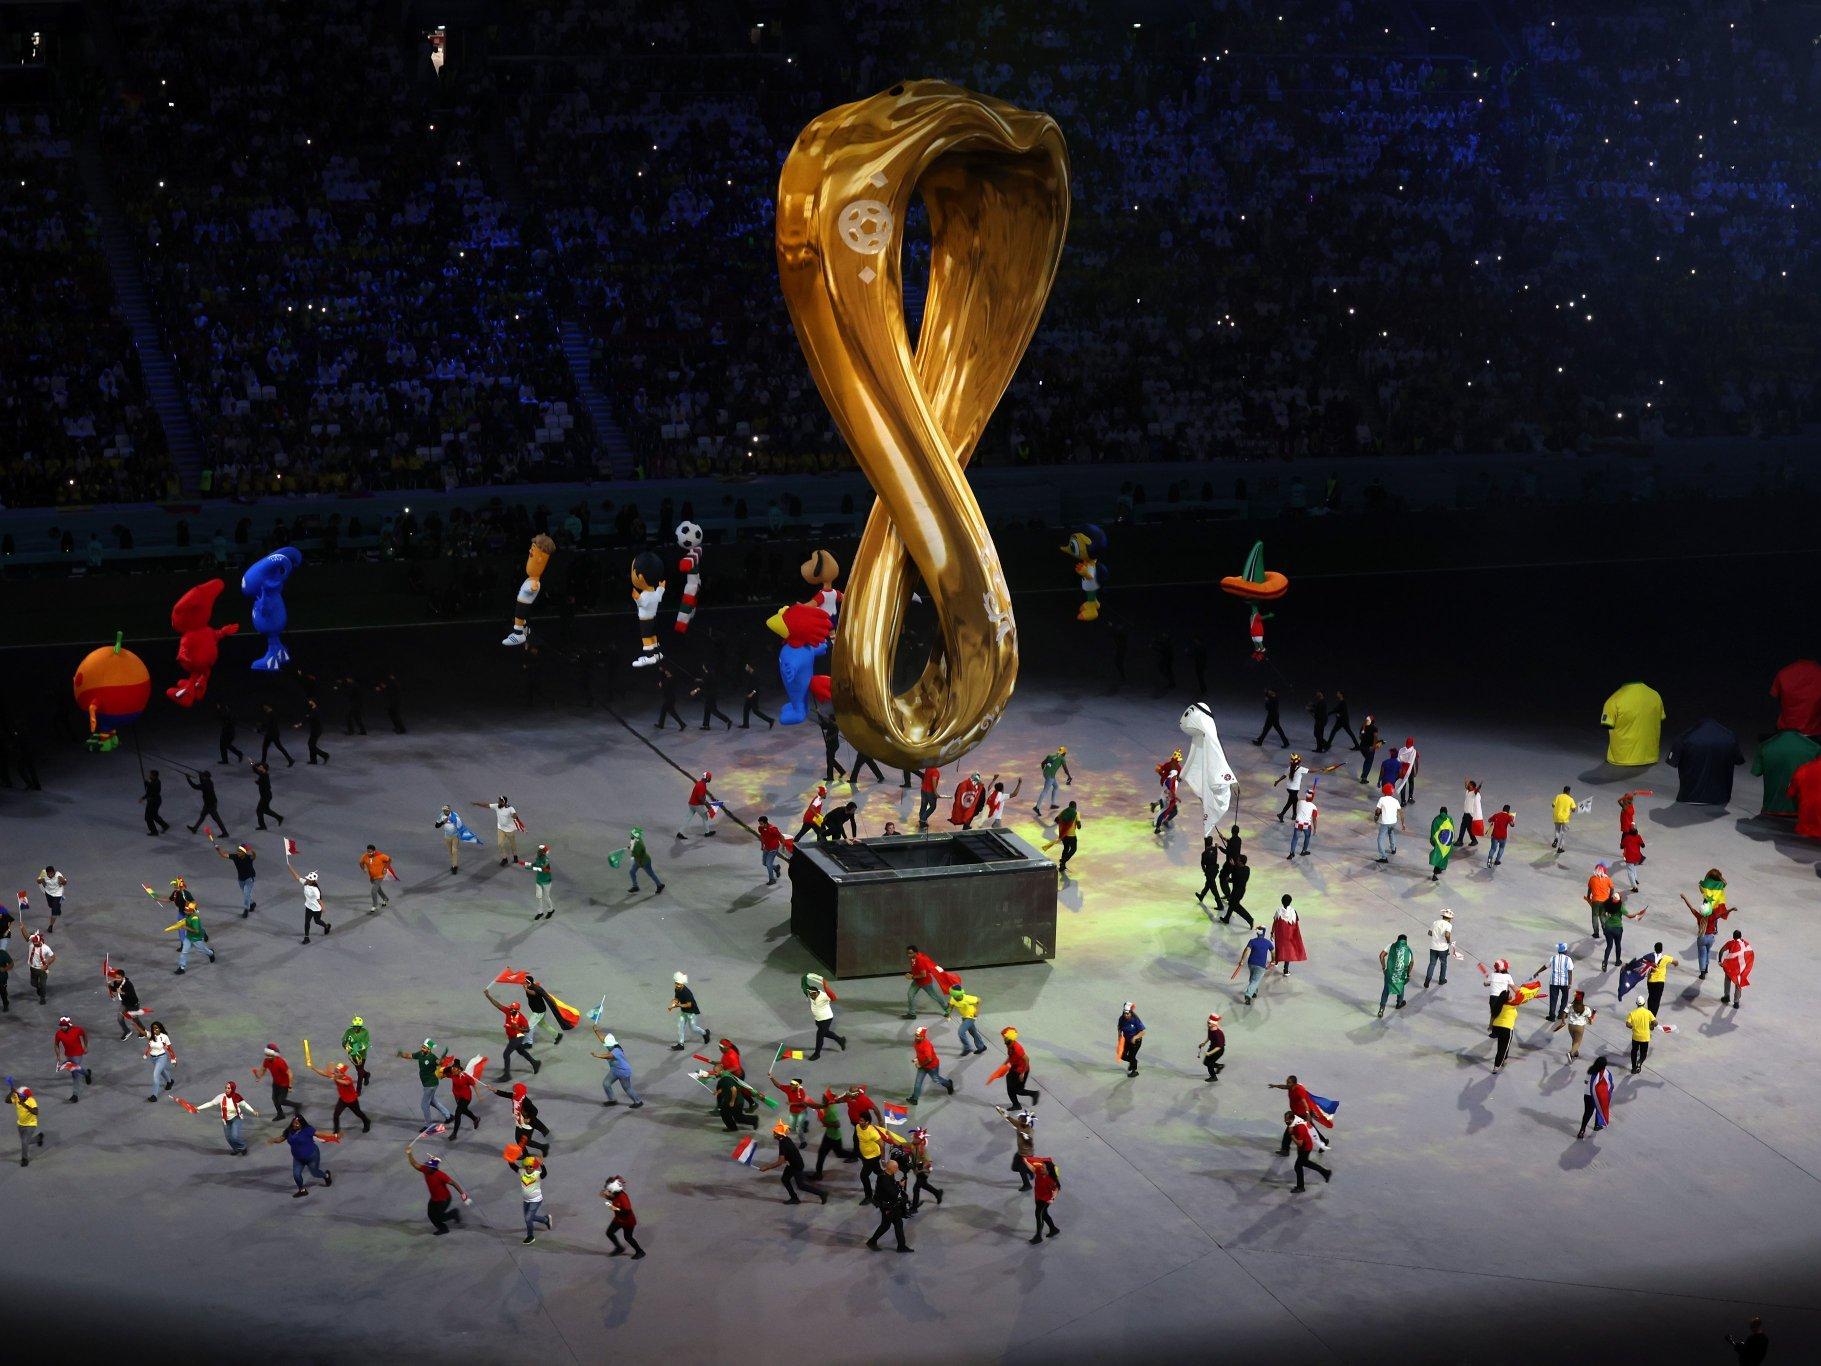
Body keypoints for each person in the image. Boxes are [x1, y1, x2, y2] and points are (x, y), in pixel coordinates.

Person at [407, 1140, 469, 1234]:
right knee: (431, 1215)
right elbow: (414, 1164)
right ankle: (449, 1219)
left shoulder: (440, 1175)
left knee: (438, 1217)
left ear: (434, 1168)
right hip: (434, 1199)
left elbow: (454, 1183)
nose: (427, 1167)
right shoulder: (425, 1169)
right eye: (427, 1165)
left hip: (444, 1200)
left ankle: (448, 1221)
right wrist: (409, 1153)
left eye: (429, 1166)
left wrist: (462, 1194)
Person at [758, 1120, 827, 1205]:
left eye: (775, 1133)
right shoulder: (785, 1139)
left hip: (796, 1166)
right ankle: (794, 1198)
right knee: (785, 1179)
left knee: (801, 1185)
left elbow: (780, 1161)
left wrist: (767, 1167)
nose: (774, 1134)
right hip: (792, 1164)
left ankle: (822, 1193)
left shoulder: (783, 1144)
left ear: (780, 1134)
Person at [269, 1114, 334, 1198]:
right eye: (294, 1123)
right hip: (298, 1159)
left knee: (315, 1173)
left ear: (302, 1123)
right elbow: (281, 1138)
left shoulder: (308, 1129)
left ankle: (326, 1176)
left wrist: (334, 1135)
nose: (295, 1125)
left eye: (297, 1123)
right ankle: (302, 1190)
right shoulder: (289, 1131)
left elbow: (320, 1134)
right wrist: (273, 1140)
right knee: (296, 1175)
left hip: (312, 1156)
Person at [1684, 877, 1734, 980]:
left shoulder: (1699, 916)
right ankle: (1706, 968)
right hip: (1711, 937)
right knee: (1707, 952)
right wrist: (1731, 909)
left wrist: (1684, 898)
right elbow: (1722, 914)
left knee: (1702, 954)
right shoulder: (1712, 916)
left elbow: (1691, 908)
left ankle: (1703, 972)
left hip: (1701, 937)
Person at [484, 987, 540, 1079]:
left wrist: (517, 1027)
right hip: (511, 1036)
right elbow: (498, 1005)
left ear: (517, 1010)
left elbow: (527, 1030)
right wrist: (488, 996)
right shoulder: (509, 1011)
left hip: (517, 1037)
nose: (510, 1009)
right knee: (521, 1050)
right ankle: (535, 1063)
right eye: (511, 1008)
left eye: (513, 1009)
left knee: (506, 1054)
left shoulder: (522, 1019)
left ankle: (507, 1075)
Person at [398, 1038, 455, 1126]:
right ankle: (448, 1116)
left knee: (424, 1105)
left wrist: (443, 1057)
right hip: (427, 1084)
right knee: (432, 1101)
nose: (422, 1049)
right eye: (422, 1047)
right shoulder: (420, 1054)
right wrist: (401, 1054)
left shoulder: (432, 1057)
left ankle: (429, 1126)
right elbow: (410, 1056)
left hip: (431, 1084)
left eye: (424, 1048)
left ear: (429, 1049)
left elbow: (439, 1062)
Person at [492, 1080, 553, 1160]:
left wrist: (529, 1119)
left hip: (527, 1124)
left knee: (526, 1141)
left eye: (515, 1091)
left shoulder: (525, 1101)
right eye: (513, 1091)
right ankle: (525, 1154)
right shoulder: (515, 1096)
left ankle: (543, 1147)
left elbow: (535, 1111)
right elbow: (505, 1094)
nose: (513, 1092)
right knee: (518, 1139)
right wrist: (494, 1090)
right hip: (519, 1122)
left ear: (519, 1092)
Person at [195, 1080, 258, 1154]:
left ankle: (243, 1147)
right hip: (225, 1120)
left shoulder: (237, 1097)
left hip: (236, 1118)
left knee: (234, 1137)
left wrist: (253, 1111)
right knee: (229, 1139)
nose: (226, 1090)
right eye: (226, 1088)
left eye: (229, 1088)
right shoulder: (221, 1097)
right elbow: (211, 1103)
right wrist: (198, 1108)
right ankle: (236, 1149)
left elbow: (245, 1104)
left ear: (233, 1089)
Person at [310, 1057, 369, 1134]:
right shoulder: (336, 1076)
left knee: (358, 1113)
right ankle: (336, 1131)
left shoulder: (348, 1079)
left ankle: (367, 1122)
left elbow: (345, 1083)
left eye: (337, 1072)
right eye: (335, 1071)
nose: (334, 1073)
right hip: (343, 1100)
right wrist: (313, 1068)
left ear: (342, 1074)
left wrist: (334, 1078)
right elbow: (323, 1073)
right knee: (336, 1115)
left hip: (352, 1101)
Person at [866, 1158, 913, 1252]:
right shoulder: (884, 1179)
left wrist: (897, 1183)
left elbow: (891, 1186)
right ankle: (900, 1246)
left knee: (892, 1224)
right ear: (891, 1168)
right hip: (889, 1206)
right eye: (896, 1168)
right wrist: (900, 1186)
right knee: (889, 1225)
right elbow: (893, 1193)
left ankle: (901, 1246)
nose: (898, 1169)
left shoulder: (886, 1175)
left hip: (888, 1206)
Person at [809, 1089, 856, 1178]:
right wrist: (808, 1104)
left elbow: (837, 1124)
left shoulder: (831, 1111)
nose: (822, 1098)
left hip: (833, 1137)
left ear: (827, 1100)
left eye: (824, 1097)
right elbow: (821, 1106)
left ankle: (818, 1175)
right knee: (836, 1153)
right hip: (831, 1135)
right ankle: (855, 1155)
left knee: (827, 1153)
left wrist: (826, 1123)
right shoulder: (830, 1104)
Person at [253, 1043, 306, 1122]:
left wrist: (290, 1086)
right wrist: (259, 1076)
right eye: (266, 1054)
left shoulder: (280, 1062)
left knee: (281, 1100)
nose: (267, 1056)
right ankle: (280, 1114)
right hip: (276, 1083)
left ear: (272, 1054)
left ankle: (297, 1105)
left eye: (268, 1054)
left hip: (284, 1084)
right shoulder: (266, 1061)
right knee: (274, 1099)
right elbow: (263, 1070)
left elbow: (290, 1073)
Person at [1283, 1110, 1332, 1192]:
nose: (1285, 1121)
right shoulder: (1295, 1122)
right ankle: (1325, 1172)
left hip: (1305, 1148)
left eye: (1287, 1119)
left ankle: (1300, 1187)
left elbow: (1299, 1143)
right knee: (1305, 1163)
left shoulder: (1299, 1128)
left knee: (1298, 1166)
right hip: (1305, 1147)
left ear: (1292, 1119)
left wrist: (1291, 1135)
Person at [509, 1152, 552, 1244]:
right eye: (527, 1166)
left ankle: (530, 1236)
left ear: (534, 1167)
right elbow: (513, 1166)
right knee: (528, 1217)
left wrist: (542, 1165)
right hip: (526, 1200)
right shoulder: (522, 1172)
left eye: (531, 1166)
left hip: (536, 1200)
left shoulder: (537, 1174)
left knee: (528, 1218)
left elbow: (544, 1174)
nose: (528, 1168)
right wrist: (510, 1158)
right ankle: (546, 1220)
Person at [592, 1030, 642, 1108]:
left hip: (623, 1072)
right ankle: (612, 1100)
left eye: (607, 1045)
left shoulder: (616, 1051)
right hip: (614, 1070)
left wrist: (597, 1055)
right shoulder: (612, 1046)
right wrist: (596, 1030)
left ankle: (638, 1101)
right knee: (606, 1083)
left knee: (627, 1088)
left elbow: (608, 1056)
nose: (606, 1046)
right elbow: (602, 1039)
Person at [907, 1026, 955, 1103]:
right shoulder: (916, 1041)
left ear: (923, 1036)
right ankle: (914, 1098)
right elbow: (919, 1053)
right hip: (923, 1065)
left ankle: (949, 1084)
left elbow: (929, 1059)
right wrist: (917, 1059)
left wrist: (921, 1065)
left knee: (936, 1079)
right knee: (918, 1082)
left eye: (918, 1036)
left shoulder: (926, 1045)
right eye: (915, 1035)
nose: (916, 1037)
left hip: (932, 1066)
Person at [601, 1176, 645, 1256]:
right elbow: (612, 1198)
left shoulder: (622, 1197)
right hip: (618, 1220)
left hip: (628, 1221)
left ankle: (640, 1252)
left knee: (628, 1237)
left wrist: (613, 1208)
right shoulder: (615, 1193)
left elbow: (627, 1211)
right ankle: (619, 1248)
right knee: (609, 1233)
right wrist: (607, 1196)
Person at [213, 839, 258, 916]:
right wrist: (218, 850)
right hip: (241, 878)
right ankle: (252, 903)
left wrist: (252, 851)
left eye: (240, 851)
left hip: (249, 878)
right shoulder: (235, 856)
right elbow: (223, 855)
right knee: (245, 893)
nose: (237, 852)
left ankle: (246, 909)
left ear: (244, 853)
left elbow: (254, 856)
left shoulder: (248, 857)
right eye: (237, 851)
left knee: (246, 893)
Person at [903, 945, 950, 1019]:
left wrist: (912, 977)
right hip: (917, 981)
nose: (909, 955)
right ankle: (912, 1013)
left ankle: (947, 1008)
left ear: (916, 952)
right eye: (908, 953)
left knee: (935, 996)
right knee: (910, 995)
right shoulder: (913, 958)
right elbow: (915, 968)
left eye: (911, 953)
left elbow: (923, 975)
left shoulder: (920, 960)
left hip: (925, 982)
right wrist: (911, 973)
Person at [287, 866, 331, 945]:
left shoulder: (315, 890)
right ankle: (306, 938)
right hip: (308, 907)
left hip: (316, 909)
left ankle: (326, 926)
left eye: (309, 879)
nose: (307, 879)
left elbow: (319, 900)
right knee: (307, 922)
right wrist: (290, 867)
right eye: (307, 878)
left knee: (317, 921)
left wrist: (323, 907)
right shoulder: (306, 883)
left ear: (312, 881)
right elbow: (297, 877)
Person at [667, 971, 710, 1050]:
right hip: (683, 1012)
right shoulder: (677, 989)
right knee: (680, 1027)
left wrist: (678, 1005)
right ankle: (681, 1044)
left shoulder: (687, 992)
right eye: (676, 983)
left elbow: (689, 1005)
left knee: (693, 1028)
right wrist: (674, 1003)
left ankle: (705, 1033)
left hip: (691, 1012)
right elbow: (677, 998)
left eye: (678, 984)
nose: (676, 985)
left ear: (682, 984)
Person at [53, 1015, 92, 1101]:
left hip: (78, 1054)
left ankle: (75, 1095)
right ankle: (87, 1073)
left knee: (74, 1073)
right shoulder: (58, 1034)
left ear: (68, 1024)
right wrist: (58, 1055)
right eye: (61, 1025)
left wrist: (85, 1046)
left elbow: (84, 1035)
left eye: (64, 1025)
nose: (63, 1027)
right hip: (68, 1055)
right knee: (75, 1070)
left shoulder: (77, 1030)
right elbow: (56, 1045)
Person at [1024, 1155, 1062, 1242]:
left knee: (1039, 1215)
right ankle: (1053, 1229)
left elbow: (1056, 1189)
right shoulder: (1040, 1171)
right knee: (1044, 1214)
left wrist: (1052, 1198)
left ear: (1048, 1171)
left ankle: (1038, 1237)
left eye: (1043, 1167)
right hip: (1038, 1196)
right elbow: (1033, 1169)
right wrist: (1025, 1161)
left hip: (1045, 1199)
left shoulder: (1051, 1180)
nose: (1041, 1168)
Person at [1001, 1026, 1040, 1107]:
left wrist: (1022, 1073)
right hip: (1015, 1067)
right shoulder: (1009, 1044)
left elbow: (1027, 1059)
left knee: (1014, 1089)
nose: (1003, 1038)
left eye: (1005, 1037)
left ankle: (1019, 1103)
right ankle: (1032, 1095)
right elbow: (1011, 1055)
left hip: (1021, 1069)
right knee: (1015, 1088)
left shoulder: (1017, 1048)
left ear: (1010, 1038)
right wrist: (1006, 1062)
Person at [1234, 926, 1273, 1003]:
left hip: (1251, 964)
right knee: (1255, 980)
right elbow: (1273, 952)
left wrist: (1242, 960)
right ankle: (1248, 995)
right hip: (1261, 965)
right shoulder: (1268, 942)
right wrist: (1273, 960)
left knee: (1253, 978)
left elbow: (1246, 950)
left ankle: (1254, 992)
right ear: (1264, 933)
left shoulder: (1252, 941)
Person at [1577, 1056, 1614, 1139]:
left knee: (1587, 1112)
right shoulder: (1606, 1073)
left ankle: (1582, 1130)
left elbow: (1586, 1081)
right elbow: (1610, 1085)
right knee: (1599, 1108)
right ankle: (1597, 1125)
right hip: (1598, 1095)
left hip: (1588, 1094)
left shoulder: (1591, 1070)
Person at [107, 966, 149, 1039]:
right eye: (116, 977)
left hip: (133, 1005)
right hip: (124, 1004)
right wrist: (110, 986)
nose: (116, 979)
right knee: (119, 1018)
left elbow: (131, 995)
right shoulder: (116, 982)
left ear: (123, 977)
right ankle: (127, 1031)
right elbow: (115, 989)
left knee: (135, 1019)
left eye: (119, 978)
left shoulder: (128, 984)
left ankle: (143, 1031)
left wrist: (122, 992)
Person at [476, 796, 521, 865]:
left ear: (504, 802)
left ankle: (515, 856)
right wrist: (477, 804)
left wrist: (514, 816)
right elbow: (486, 805)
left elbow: (514, 815)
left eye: (500, 801)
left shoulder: (510, 808)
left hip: (510, 830)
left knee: (512, 844)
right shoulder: (496, 806)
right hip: (500, 829)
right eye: (498, 800)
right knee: (500, 844)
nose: (498, 802)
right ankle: (504, 858)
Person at [1554, 991, 1596, 1060]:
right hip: (1580, 1027)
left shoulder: (1570, 1006)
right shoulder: (1586, 1009)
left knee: (1574, 1040)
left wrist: (1563, 1022)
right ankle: (1571, 1053)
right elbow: (1590, 1020)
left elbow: (1564, 1013)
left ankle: (1576, 1053)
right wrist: (1592, 1019)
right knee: (1577, 1042)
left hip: (1571, 1026)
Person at [1377, 935, 1413, 1017]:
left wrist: (1384, 968)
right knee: (1400, 987)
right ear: (1406, 941)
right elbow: (1411, 963)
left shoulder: (1391, 945)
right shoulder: (1408, 950)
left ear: (1397, 940)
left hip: (1389, 973)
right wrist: (1408, 974)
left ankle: (1381, 1009)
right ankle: (1399, 1003)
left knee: (1386, 990)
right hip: (1400, 974)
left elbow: (1381, 956)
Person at [1271, 895, 1307, 975]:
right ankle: (1285, 970)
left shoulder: (1278, 911)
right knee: (1288, 951)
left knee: (1278, 947)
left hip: (1280, 935)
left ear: (1281, 901)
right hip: (1289, 936)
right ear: (1290, 901)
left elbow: (1275, 922)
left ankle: (1276, 961)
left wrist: (1272, 932)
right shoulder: (1293, 911)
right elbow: (1296, 924)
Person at [9, 1081, 42, 1166]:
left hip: (31, 1124)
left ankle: (24, 1159)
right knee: (26, 1142)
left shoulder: (31, 1101)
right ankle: (38, 1138)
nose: (18, 1096)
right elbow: (7, 1100)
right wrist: (11, 1093)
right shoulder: (17, 1097)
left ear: (25, 1096)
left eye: (20, 1095)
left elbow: (36, 1112)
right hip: (20, 1124)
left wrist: (25, 1105)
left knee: (24, 1142)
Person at [186, 771, 227, 837]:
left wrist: (188, 779)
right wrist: (200, 776)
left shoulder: (205, 784)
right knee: (203, 816)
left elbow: (195, 786)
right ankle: (195, 828)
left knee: (216, 819)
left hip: (210, 804)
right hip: (210, 803)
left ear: (204, 777)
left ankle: (225, 833)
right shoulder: (209, 782)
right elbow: (202, 782)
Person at [625, 826, 665, 894]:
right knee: (632, 871)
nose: (631, 835)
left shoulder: (639, 844)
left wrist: (632, 850)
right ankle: (635, 886)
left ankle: (659, 885)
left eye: (633, 834)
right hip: (638, 861)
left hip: (644, 861)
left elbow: (638, 853)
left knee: (651, 874)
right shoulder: (635, 840)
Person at [948, 983, 986, 1055]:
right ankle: (981, 1047)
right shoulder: (953, 998)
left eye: (959, 996)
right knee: (973, 1032)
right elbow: (951, 1005)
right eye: (956, 996)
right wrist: (948, 1012)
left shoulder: (967, 998)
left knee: (961, 1032)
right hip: (964, 1017)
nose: (958, 998)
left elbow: (979, 1000)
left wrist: (977, 1011)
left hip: (971, 1016)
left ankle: (967, 1048)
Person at [1219, 850, 1253, 928]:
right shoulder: (1247, 869)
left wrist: (1232, 867)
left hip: (1237, 892)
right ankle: (1227, 918)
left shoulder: (1236, 871)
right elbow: (1237, 876)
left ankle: (1250, 919)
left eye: (1238, 860)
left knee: (1237, 907)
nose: (1236, 861)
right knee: (1231, 904)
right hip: (1241, 891)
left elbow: (1234, 878)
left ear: (1241, 862)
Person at [1720, 930, 1753, 1008]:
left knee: (1727, 980)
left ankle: (1726, 996)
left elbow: (1721, 951)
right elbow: (1750, 953)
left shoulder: (1730, 943)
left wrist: (1719, 961)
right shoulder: (1745, 944)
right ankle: (1736, 1002)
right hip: (1740, 967)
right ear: (1741, 936)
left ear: (1733, 936)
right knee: (1738, 982)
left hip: (1730, 967)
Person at [1373, 783, 1405, 861]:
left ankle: (1384, 857)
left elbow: (1377, 811)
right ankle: (1393, 849)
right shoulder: (1396, 801)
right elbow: (1401, 812)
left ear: (1384, 791)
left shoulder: (1382, 799)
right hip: (1393, 822)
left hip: (1385, 823)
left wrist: (1376, 817)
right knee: (1391, 833)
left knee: (1379, 839)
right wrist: (1403, 824)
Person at [1034, 746, 1072, 813]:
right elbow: (1065, 769)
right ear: (1064, 753)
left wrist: (1045, 771)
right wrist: (1069, 776)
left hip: (1046, 774)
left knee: (1056, 786)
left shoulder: (1050, 756)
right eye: (1065, 753)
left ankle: (1053, 804)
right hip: (1050, 776)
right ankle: (1037, 807)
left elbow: (1042, 763)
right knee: (1045, 791)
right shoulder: (1062, 758)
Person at [1543, 943, 1575, 1021]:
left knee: (1553, 999)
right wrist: (1570, 983)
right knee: (1564, 998)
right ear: (1566, 951)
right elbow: (1570, 971)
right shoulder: (1568, 959)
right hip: (1565, 983)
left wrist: (1537, 972)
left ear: (1558, 951)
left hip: (1554, 982)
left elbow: (1545, 966)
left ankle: (1552, 1016)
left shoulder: (1553, 958)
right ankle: (1561, 1014)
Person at [358, 844, 393, 914]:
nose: (369, 853)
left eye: (370, 852)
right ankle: (385, 899)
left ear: (374, 851)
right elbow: (361, 863)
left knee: (374, 891)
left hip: (380, 876)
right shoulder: (365, 856)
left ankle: (375, 905)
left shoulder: (380, 856)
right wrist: (363, 868)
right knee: (378, 889)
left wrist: (385, 868)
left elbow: (389, 860)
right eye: (368, 851)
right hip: (372, 877)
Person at [738, 662, 775, 729]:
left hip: (753, 696)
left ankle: (770, 720)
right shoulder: (750, 674)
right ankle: (746, 725)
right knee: (746, 709)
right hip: (750, 696)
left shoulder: (755, 675)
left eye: (747, 666)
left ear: (750, 667)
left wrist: (751, 694)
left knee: (756, 711)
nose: (745, 668)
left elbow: (756, 688)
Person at [1274, 753, 1308, 823]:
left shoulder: (1290, 768)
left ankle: (1294, 815)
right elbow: (1311, 771)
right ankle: (1281, 814)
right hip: (1295, 789)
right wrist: (1320, 769)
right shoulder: (1301, 769)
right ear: (1299, 762)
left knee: (1294, 800)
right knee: (1290, 802)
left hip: (1289, 788)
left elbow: (1284, 775)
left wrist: (1277, 781)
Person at [1625, 996, 1656, 1073]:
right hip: (1645, 1037)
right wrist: (1651, 1026)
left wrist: (1633, 1026)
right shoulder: (1648, 1013)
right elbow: (1655, 1023)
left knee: (1634, 1051)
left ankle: (1633, 1068)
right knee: (1643, 1053)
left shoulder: (1632, 1013)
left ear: (1636, 1003)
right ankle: (1640, 1063)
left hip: (1635, 1037)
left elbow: (1627, 1024)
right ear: (1644, 1003)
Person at [341, 1015, 371, 1093]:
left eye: (358, 1027)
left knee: (359, 1072)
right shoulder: (349, 1031)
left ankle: (358, 1090)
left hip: (362, 1055)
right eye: (355, 1026)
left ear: (361, 1026)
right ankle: (367, 1074)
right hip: (353, 1054)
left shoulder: (365, 1032)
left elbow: (366, 1043)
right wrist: (346, 1046)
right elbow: (344, 1041)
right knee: (359, 1069)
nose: (356, 1028)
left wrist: (356, 1048)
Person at [434, 805, 467, 874]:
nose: (445, 812)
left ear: (449, 810)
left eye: (446, 810)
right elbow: (436, 826)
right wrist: (443, 822)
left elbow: (460, 825)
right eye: (444, 810)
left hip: (455, 836)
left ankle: (455, 867)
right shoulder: (441, 815)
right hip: (447, 837)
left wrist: (462, 833)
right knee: (451, 852)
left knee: (454, 851)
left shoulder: (455, 815)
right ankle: (453, 864)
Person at [1424, 910, 1454, 987]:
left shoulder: (1435, 922)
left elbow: (1429, 933)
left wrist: (1436, 936)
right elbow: (1447, 935)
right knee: (1443, 964)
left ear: (1443, 916)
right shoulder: (1448, 925)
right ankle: (1441, 980)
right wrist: (1448, 942)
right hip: (1443, 949)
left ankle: (1427, 981)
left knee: (1432, 964)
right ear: (1449, 918)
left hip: (1433, 947)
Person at [296, 698, 329, 765]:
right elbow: (307, 717)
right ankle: (314, 761)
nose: (309, 703)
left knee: (311, 745)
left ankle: (325, 755)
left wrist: (300, 724)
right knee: (311, 744)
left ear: (314, 703)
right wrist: (301, 723)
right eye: (309, 702)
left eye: (310, 702)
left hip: (317, 730)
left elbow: (308, 717)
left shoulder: (315, 711)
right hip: (315, 729)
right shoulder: (312, 710)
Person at [1052, 800, 1082, 875]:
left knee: (1066, 848)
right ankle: (1063, 861)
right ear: (1075, 807)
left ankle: (1062, 866)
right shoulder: (1076, 813)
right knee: (1073, 849)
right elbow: (1079, 826)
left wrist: (1063, 824)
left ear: (1069, 806)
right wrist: (1078, 825)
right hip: (1072, 835)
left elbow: (1056, 820)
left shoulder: (1064, 812)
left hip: (1064, 835)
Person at [1116, 1002, 1145, 1076]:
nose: (1126, 1015)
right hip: (1127, 1040)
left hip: (1135, 1042)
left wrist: (1135, 1037)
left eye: (1127, 1014)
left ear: (1131, 1013)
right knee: (1122, 1055)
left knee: (1132, 1056)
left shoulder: (1135, 1020)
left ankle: (1134, 1071)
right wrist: (1119, 1035)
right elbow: (1119, 1027)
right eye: (1125, 1014)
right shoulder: (1121, 1018)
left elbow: (1142, 1032)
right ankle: (1133, 1062)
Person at [251, 762, 283, 830]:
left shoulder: (264, 776)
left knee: (259, 811)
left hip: (265, 796)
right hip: (266, 796)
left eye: (260, 767)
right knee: (265, 810)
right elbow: (255, 770)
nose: (259, 768)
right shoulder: (263, 773)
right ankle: (279, 818)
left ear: (264, 769)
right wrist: (252, 764)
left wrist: (258, 782)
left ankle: (263, 825)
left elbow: (267, 786)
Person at [757, 817, 788, 885]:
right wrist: (762, 846)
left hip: (773, 849)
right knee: (764, 863)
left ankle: (772, 879)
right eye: (759, 823)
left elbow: (781, 836)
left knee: (768, 864)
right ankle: (776, 867)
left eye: (761, 823)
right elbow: (762, 836)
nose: (760, 825)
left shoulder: (773, 829)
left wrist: (783, 846)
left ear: (765, 822)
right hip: (766, 848)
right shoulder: (760, 828)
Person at [26, 929, 55, 1002]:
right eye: (33, 942)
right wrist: (22, 927)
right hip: (32, 967)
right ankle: (39, 987)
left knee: (43, 984)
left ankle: (42, 998)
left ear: (39, 941)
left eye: (36, 943)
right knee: (33, 983)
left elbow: (53, 957)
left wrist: (47, 965)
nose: (34, 944)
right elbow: (26, 936)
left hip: (42, 969)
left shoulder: (46, 948)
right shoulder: (32, 942)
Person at [1427, 807, 1454, 882]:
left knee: (1438, 855)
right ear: (1446, 812)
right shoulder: (1450, 819)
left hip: (1439, 842)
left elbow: (1433, 831)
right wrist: (1451, 842)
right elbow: (1452, 830)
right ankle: (1436, 872)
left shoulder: (1436, 820)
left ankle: (1437, 872)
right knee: (1444, 856)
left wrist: (1433, 841)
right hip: (1447, 843)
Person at [1195, 835, 1222, 908]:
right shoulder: (1215, 849)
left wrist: (1205, 871)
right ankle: (1201, 896)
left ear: (1205, 843)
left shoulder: (1204, 853)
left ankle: (1220, 905)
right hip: (1215, 870)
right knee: (1208, 884)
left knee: (1214, 889)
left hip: (1209, 871)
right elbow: (1211, 849)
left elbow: (1202, 864)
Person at [141, 770, 171, 835]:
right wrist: (147, 783)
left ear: (154, 776)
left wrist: (147, 785)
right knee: (154, 815)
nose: (149, 776)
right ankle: (164, 825)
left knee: (148, 817)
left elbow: (151, 792)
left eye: (151, 775)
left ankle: (154, 831)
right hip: (154, 800)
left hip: (153, 801)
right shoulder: (153, 780)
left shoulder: (156, 783)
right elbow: (149, 786)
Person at [1617, 826, 1646, 891]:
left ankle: (1634, 887)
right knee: (1634, 868)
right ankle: (1635, 880)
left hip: (1629, 857)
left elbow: (1622, 847)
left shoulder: (1627, 838)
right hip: (1637, 857)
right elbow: (1643, 845)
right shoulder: (1638, 836)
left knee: (1630, 872)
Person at [1199, 1012, 1225, 1080]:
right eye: (1208, 1022)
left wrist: (1210, 1053)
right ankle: (1219, 1066)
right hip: (1212, 1047)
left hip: (1218, 1051)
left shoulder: (1217, 1033)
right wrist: (1204, 1043)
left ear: (1214, 1024)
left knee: (1209, 1064)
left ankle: (1213, 1077)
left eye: (1209, 1023)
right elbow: (1209, 1037)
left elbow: (1219, 1046)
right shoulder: (1210, 1029)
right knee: (1206, 1062)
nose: (1208, 1024)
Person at [1460, 780, 1484, 848]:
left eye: (1469, 785)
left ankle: (1464, 840)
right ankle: (1462, 840)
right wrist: (1465, 782)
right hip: (1466, 813)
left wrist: (1479, 787)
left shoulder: (1474, 792)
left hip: (1470, 814)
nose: (1468, 786)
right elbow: (1466, 787)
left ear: (1473, 787)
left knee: (1466, 828)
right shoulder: (1468, 791)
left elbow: (1476, 791)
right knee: (1465, 827)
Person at [1551, 785, 1576, 853]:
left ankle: (1556, 839)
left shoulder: (1558, 796)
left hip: (1557, 817)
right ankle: (1560, 848)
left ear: (1563, 790)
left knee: (1557, 830)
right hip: (1565, 819)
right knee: (1563, 833)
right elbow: (1573, 809)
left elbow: (1553, 805)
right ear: (1568, 791)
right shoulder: (1571, 799)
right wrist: (1572, 809)